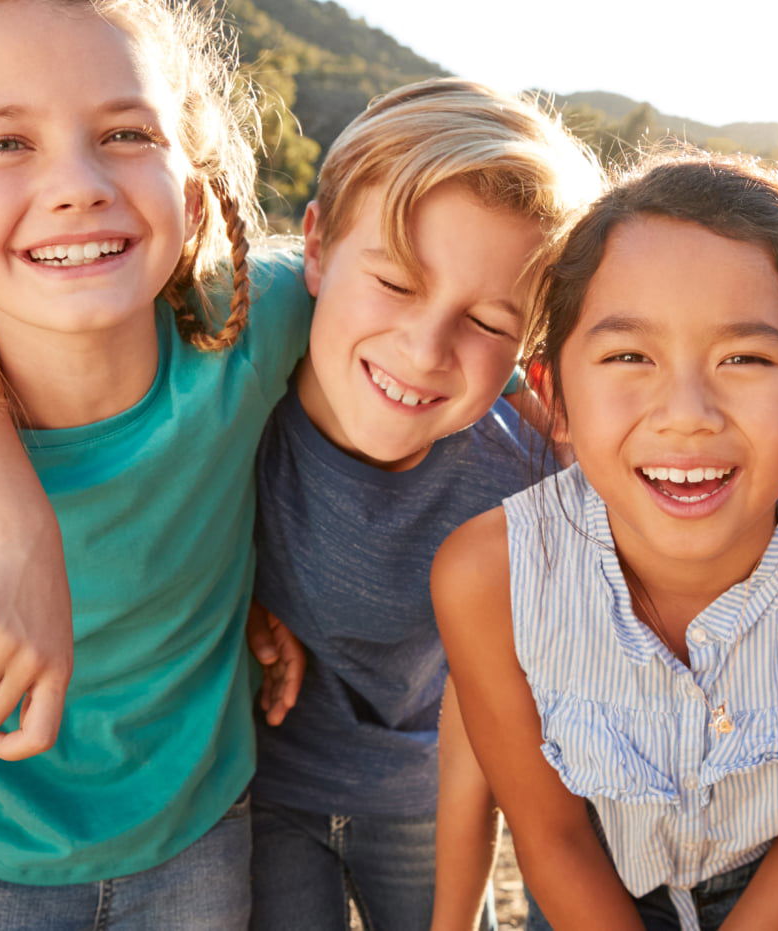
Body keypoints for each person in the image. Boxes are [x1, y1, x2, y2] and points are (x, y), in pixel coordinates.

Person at [0, 0, 311, 924]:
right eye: (5, 143)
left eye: (126, 132)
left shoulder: (250, 326)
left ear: (191, 192)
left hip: (202, 826)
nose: (78, 184)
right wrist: (13, 523)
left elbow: (419, 321)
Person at [434, 152, 778, 930]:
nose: (687, 412)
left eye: (744, 357)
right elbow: (550, 833)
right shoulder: (488, 574)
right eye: (628, 356)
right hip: (589, 892)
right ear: (557, 397)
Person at [245, 78, 599, 931]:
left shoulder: (526, 474)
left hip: (432, 796)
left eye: (484, 321)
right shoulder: (236, 402)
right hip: (264, 787)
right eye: (398, 284)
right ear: (319, 249)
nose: (425, 348)